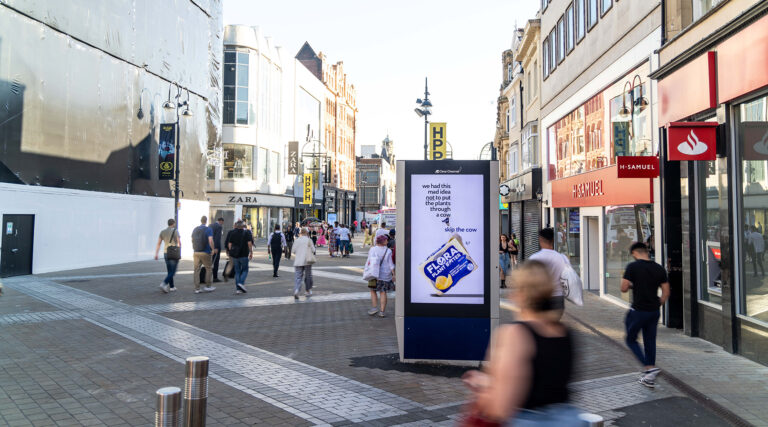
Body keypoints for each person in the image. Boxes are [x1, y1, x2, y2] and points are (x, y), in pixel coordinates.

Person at [461, 261, 580, 425]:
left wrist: (483, 383)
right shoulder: (566, 332)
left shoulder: (515, 334)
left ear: (521, 294)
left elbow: (500, 408)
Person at [621, 242, 670, 388]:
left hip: (638, 310)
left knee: (630, 339)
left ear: (635, 253)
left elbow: (623, 288)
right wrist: (658, 304)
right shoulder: (659, 268)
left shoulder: (632, 267)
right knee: (650, 341)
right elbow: (666, 292)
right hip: (654, 311)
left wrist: (633, 284)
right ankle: (649, 377)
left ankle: (649, 368)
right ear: (646, 252)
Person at [529, 228, 569, 315]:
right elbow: (568, 278)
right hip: (558, 297)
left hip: (539, 297)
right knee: (553, 322)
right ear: (553, 240)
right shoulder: (563, 258)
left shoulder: (534, 258)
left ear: (540, 239)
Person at [366, 235, 396, 317]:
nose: (387, 241)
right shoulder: (388, 251)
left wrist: (367, 270)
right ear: (382, 241)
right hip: (385, 275)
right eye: (386, 240)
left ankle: (374, 308)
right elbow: (391, 264)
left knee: (373, 291)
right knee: (383, 292)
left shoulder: (372, 249)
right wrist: (393, 274)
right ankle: (382, 311)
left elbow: (369, 261)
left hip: (374, 274)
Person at [191, 216, 217, 294]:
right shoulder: (208, 229)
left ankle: (197, 288)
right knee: (208, 268)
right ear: (206, 221)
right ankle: (208, 286)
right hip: (205, 252)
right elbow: (210, 240)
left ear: (201, 220)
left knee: (196, 270)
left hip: (196, 252)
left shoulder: (195, 229)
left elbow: (192, 239)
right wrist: (213, 249)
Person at [226, 220, 253, 294]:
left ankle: (238, 289)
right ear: (243, 226)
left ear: (237, 226)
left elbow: (229, 244)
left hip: (235, 256)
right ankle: (241, 283)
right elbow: (249, 243)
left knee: (237, 272)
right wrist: (251, 252)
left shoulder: (232, 233)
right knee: (245, 270)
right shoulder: (246, 233)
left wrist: (231, 252)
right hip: (244, 254)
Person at [154, 219, 180, 293]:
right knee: (173, 271)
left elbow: (158, 243)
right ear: (173, 224)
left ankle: (172, 287)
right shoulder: (175, 231)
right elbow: (179, 242)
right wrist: (179, 251)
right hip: (173, 253)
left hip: (166, 253)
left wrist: (156, 254)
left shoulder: (162, 232)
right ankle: (164, 283)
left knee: (169, 271)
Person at [292, 227, 316, 300]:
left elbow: (293, 251)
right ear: (307, 233)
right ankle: (308, 291)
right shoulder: (309, 240)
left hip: (298, 261)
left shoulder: (297, 240)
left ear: (300, 233)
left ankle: (296, 290)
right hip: (307, 260)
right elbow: (313, 250)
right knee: (308, 276)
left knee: (298, 277)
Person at [211, 217, 224, 282]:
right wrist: (216, 247)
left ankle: (206, 276)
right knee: (216, 262)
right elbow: (217, 238)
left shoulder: (210, 225)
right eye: (222, 223)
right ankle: (215, 277)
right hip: (215, 247)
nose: (222, 224)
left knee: (210, 262)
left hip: (209, 246)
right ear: (221, 221)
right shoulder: (219, 227)